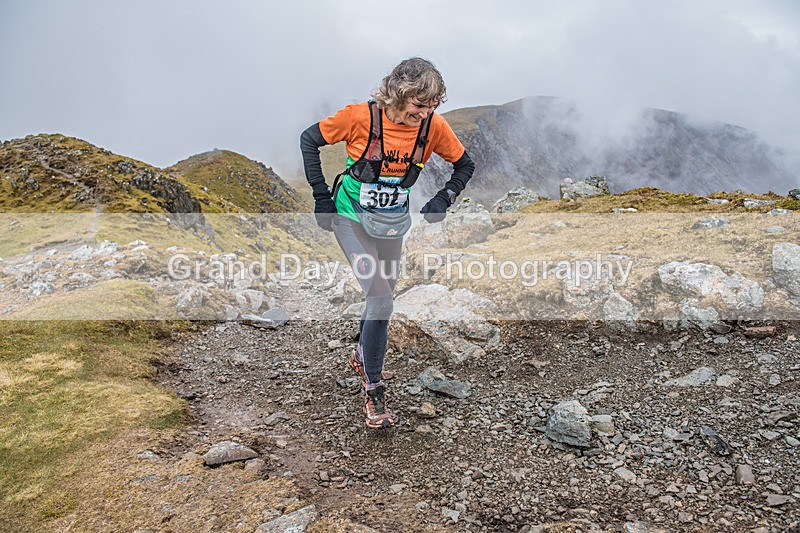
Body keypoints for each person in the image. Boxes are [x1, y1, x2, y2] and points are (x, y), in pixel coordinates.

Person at [300, 57, 475, 429]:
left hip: (393, 225)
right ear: (398, 93)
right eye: (418, 105)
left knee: (381, 299)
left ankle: (363, 354)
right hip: (350, 219)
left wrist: (445, 198)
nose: (424, 114)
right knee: (381, 300)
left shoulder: (433, 126)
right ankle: (373, 389)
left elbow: (465, 165)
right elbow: (309, 139)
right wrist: (320, 197)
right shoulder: (359, 117)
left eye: (431, 107)